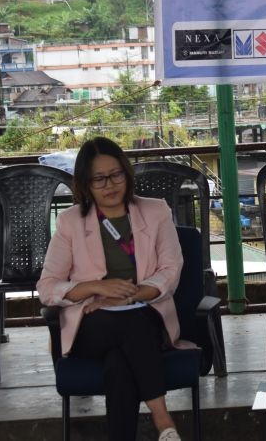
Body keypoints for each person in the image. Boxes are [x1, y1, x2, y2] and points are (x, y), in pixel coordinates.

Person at [37, 137, 186, 441]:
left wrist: (130, 295)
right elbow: (47, 287)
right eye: (99, 179)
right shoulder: (70, 222)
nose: (110, 185)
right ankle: (162, 418)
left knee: (119, 363)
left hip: (145, 315)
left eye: (116, 174)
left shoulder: (156, 211)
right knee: (123, 326)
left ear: (127, 174)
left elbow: (170, 272)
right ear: (85, 184)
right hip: (91, 326)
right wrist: (95, 287)